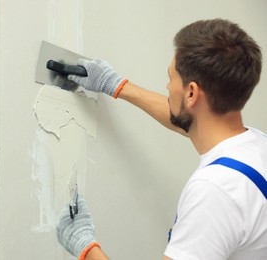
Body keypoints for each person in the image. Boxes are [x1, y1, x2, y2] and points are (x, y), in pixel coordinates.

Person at [56, 19, 267, 260]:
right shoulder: (256, 145)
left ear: (191, 93)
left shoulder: (214, 191)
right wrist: (117, 86)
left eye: (171, 78)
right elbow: (188, 122)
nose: (167, 86)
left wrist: (86, 248)